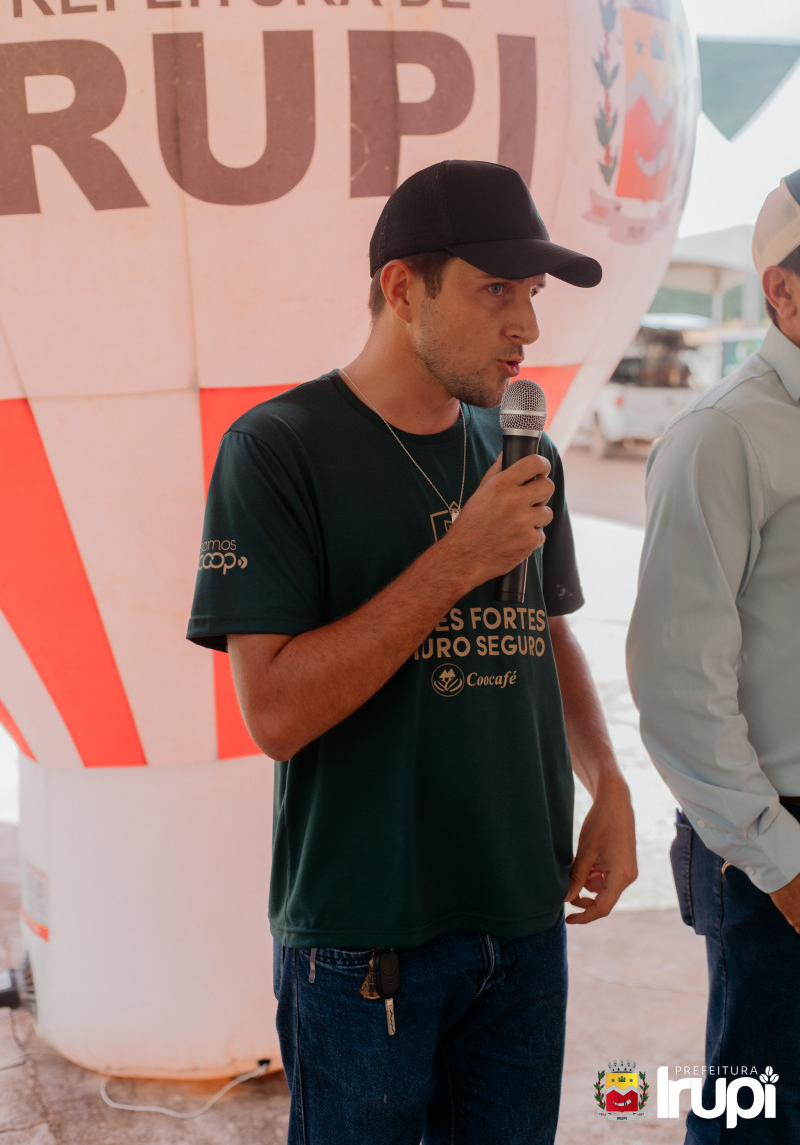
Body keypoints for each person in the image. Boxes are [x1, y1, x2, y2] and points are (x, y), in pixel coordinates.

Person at [188, 159, 637, 1145]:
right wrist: (456, 559)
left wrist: (605, 780)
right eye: (496, 290)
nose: (526, 326)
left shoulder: (523, 451)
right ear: (401, 288)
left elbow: (543, 629)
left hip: (524, 918)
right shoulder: (278, 449)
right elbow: (276, 715)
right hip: (366, 939)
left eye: (532, 294)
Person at [627, 170, 800, 1143]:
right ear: (782, 290)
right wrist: (781, 863)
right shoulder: (721, 436)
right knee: (759, 1117)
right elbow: (676, 684)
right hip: (772, 839)